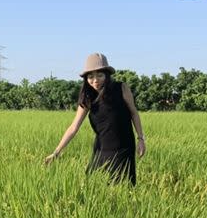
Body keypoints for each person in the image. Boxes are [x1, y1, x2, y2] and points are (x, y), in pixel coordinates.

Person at [44, 53, 146, 186]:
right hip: (101, 148)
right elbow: (74, 127)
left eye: (100, 75)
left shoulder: (121, 88)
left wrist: (141, 139)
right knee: (92, 184)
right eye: (90, 76)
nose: (95, 80)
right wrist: (56, 152)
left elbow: (133, 112)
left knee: (122, 185)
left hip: (123, 147)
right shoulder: (88, 97)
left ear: (107, 75)